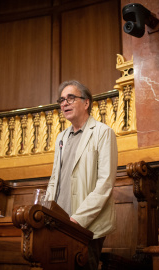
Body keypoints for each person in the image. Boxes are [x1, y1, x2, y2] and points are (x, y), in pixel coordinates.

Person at [47, 80, 118, 269]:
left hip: (86, 225)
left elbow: (105, 184)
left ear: (86, 103)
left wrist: (78, 219)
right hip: (60, 223)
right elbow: (55, 178)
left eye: (70, 98)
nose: (64, 103)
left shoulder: (103, 133)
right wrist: (46, 211)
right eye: (61, 100)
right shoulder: (61, 137)